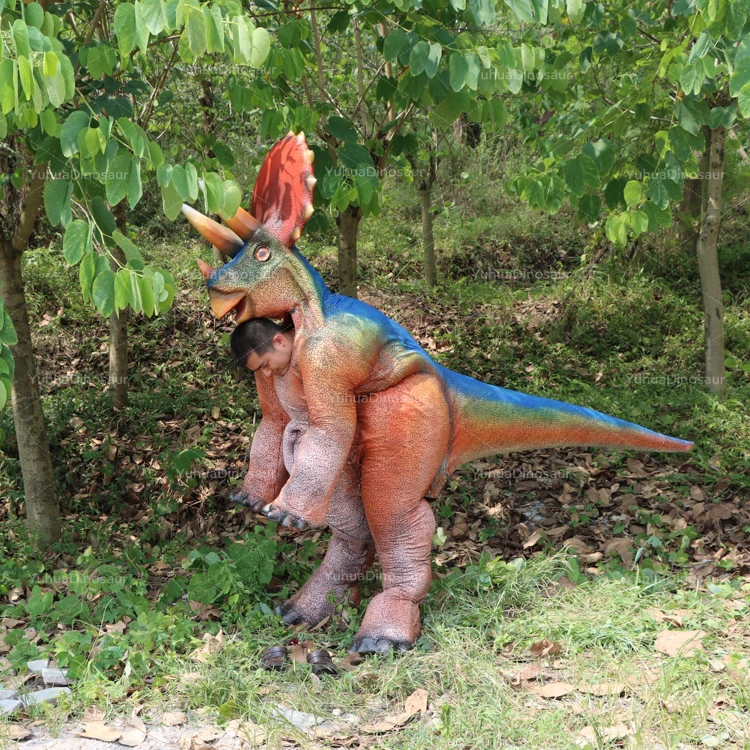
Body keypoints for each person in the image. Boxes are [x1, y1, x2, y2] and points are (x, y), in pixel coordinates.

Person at [229, 318, 374, 625]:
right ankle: (337, 590)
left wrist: (298, 497)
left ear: (280, 341)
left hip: (365, 437)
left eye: (264, 365)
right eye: (258, 370)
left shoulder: (316, 352)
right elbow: (274, 419)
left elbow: (330, 427)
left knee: (382, 522)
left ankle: (401, 595)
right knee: (349, 527)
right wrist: (259, 484)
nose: (265, 374)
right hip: (325, 453)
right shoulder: (279, 366)